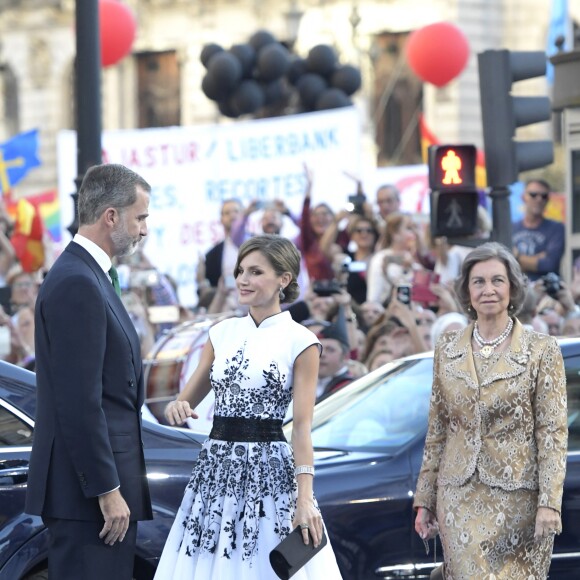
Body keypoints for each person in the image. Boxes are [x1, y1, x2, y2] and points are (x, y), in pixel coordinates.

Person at [155, 234, 342, 579]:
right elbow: (184, 399)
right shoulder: (221, 332)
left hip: (269, 474)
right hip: (214, 473)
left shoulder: (302, 341)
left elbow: (301, 428)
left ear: (283, 280)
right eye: (241, 270)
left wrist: (304, 499)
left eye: (255, 272)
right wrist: (177, 408)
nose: (243, 280)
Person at [25, 164, 153, 580]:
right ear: (111, 216)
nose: (144, 230)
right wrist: (106, 489)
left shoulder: (91, 275)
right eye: (141, 218)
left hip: (97, 493)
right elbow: (79, 401)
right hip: (90, 499)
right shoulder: (77, 281)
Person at [414, 242, 568, 579]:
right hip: (458, 496)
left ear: (512, 287)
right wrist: (425, 498)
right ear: (466, 292)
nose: (488, 290)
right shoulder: (447, 348)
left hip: (520, 500)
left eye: (497, 280)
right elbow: (438, 426)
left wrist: (549, 502)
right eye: (478, 282)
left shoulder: (541, 350)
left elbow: (553, 432)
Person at [512, 178, 565, 281]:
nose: (539, 199)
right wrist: (538, 258)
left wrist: (516, 256)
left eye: (544, 196)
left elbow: (549, 264)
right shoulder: (511, 228)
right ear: (523, 197)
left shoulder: (557, 228)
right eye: (533, 194)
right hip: (517, 291)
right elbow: (505, 264)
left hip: (547, 291)